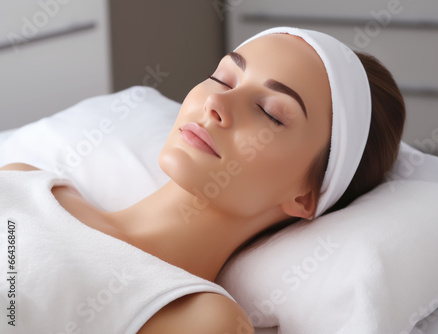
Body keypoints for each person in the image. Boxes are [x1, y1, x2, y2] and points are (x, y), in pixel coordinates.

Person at [0, 27, 404, 333]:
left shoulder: (201, 320)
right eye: (224, 79)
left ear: (305, 196)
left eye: (270, 113)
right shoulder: (24, 181)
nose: (216, 103)